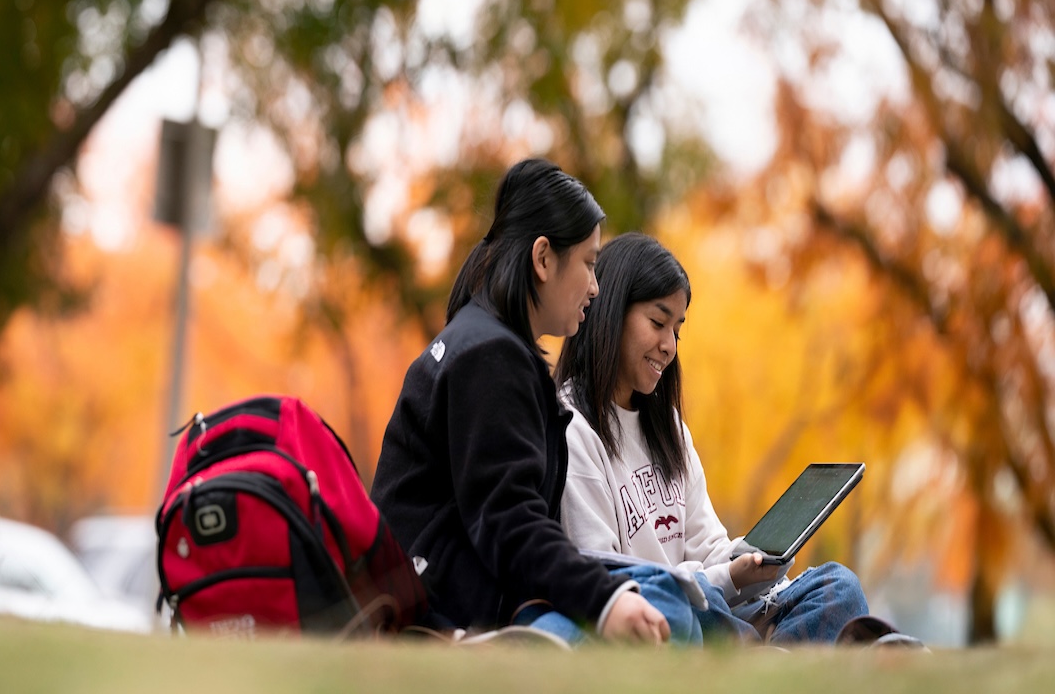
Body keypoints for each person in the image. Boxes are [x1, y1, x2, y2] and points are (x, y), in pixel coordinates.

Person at [370, 159, 695, 645]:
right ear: (543, 259)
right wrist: (602, 601)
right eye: (588, 262)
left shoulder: (485, 343)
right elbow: (509, 522)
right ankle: (512, 651)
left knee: (661, 597)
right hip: (443, 607)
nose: (595, 285)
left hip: (458, 590)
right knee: (667, 606)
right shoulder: (489, 356)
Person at [554, 231, 886, 645]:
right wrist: (723, 580)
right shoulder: (572, 425)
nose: (669, 346)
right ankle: (776, 658)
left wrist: (747, 562)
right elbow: (607, 575)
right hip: (651, 611)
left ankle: (760, 658)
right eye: (658, 323)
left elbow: (707, 546)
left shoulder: (668, 427)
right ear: (611, 313)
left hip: (712, 607)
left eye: (677, 330)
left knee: (839, 586)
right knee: (686, 606)